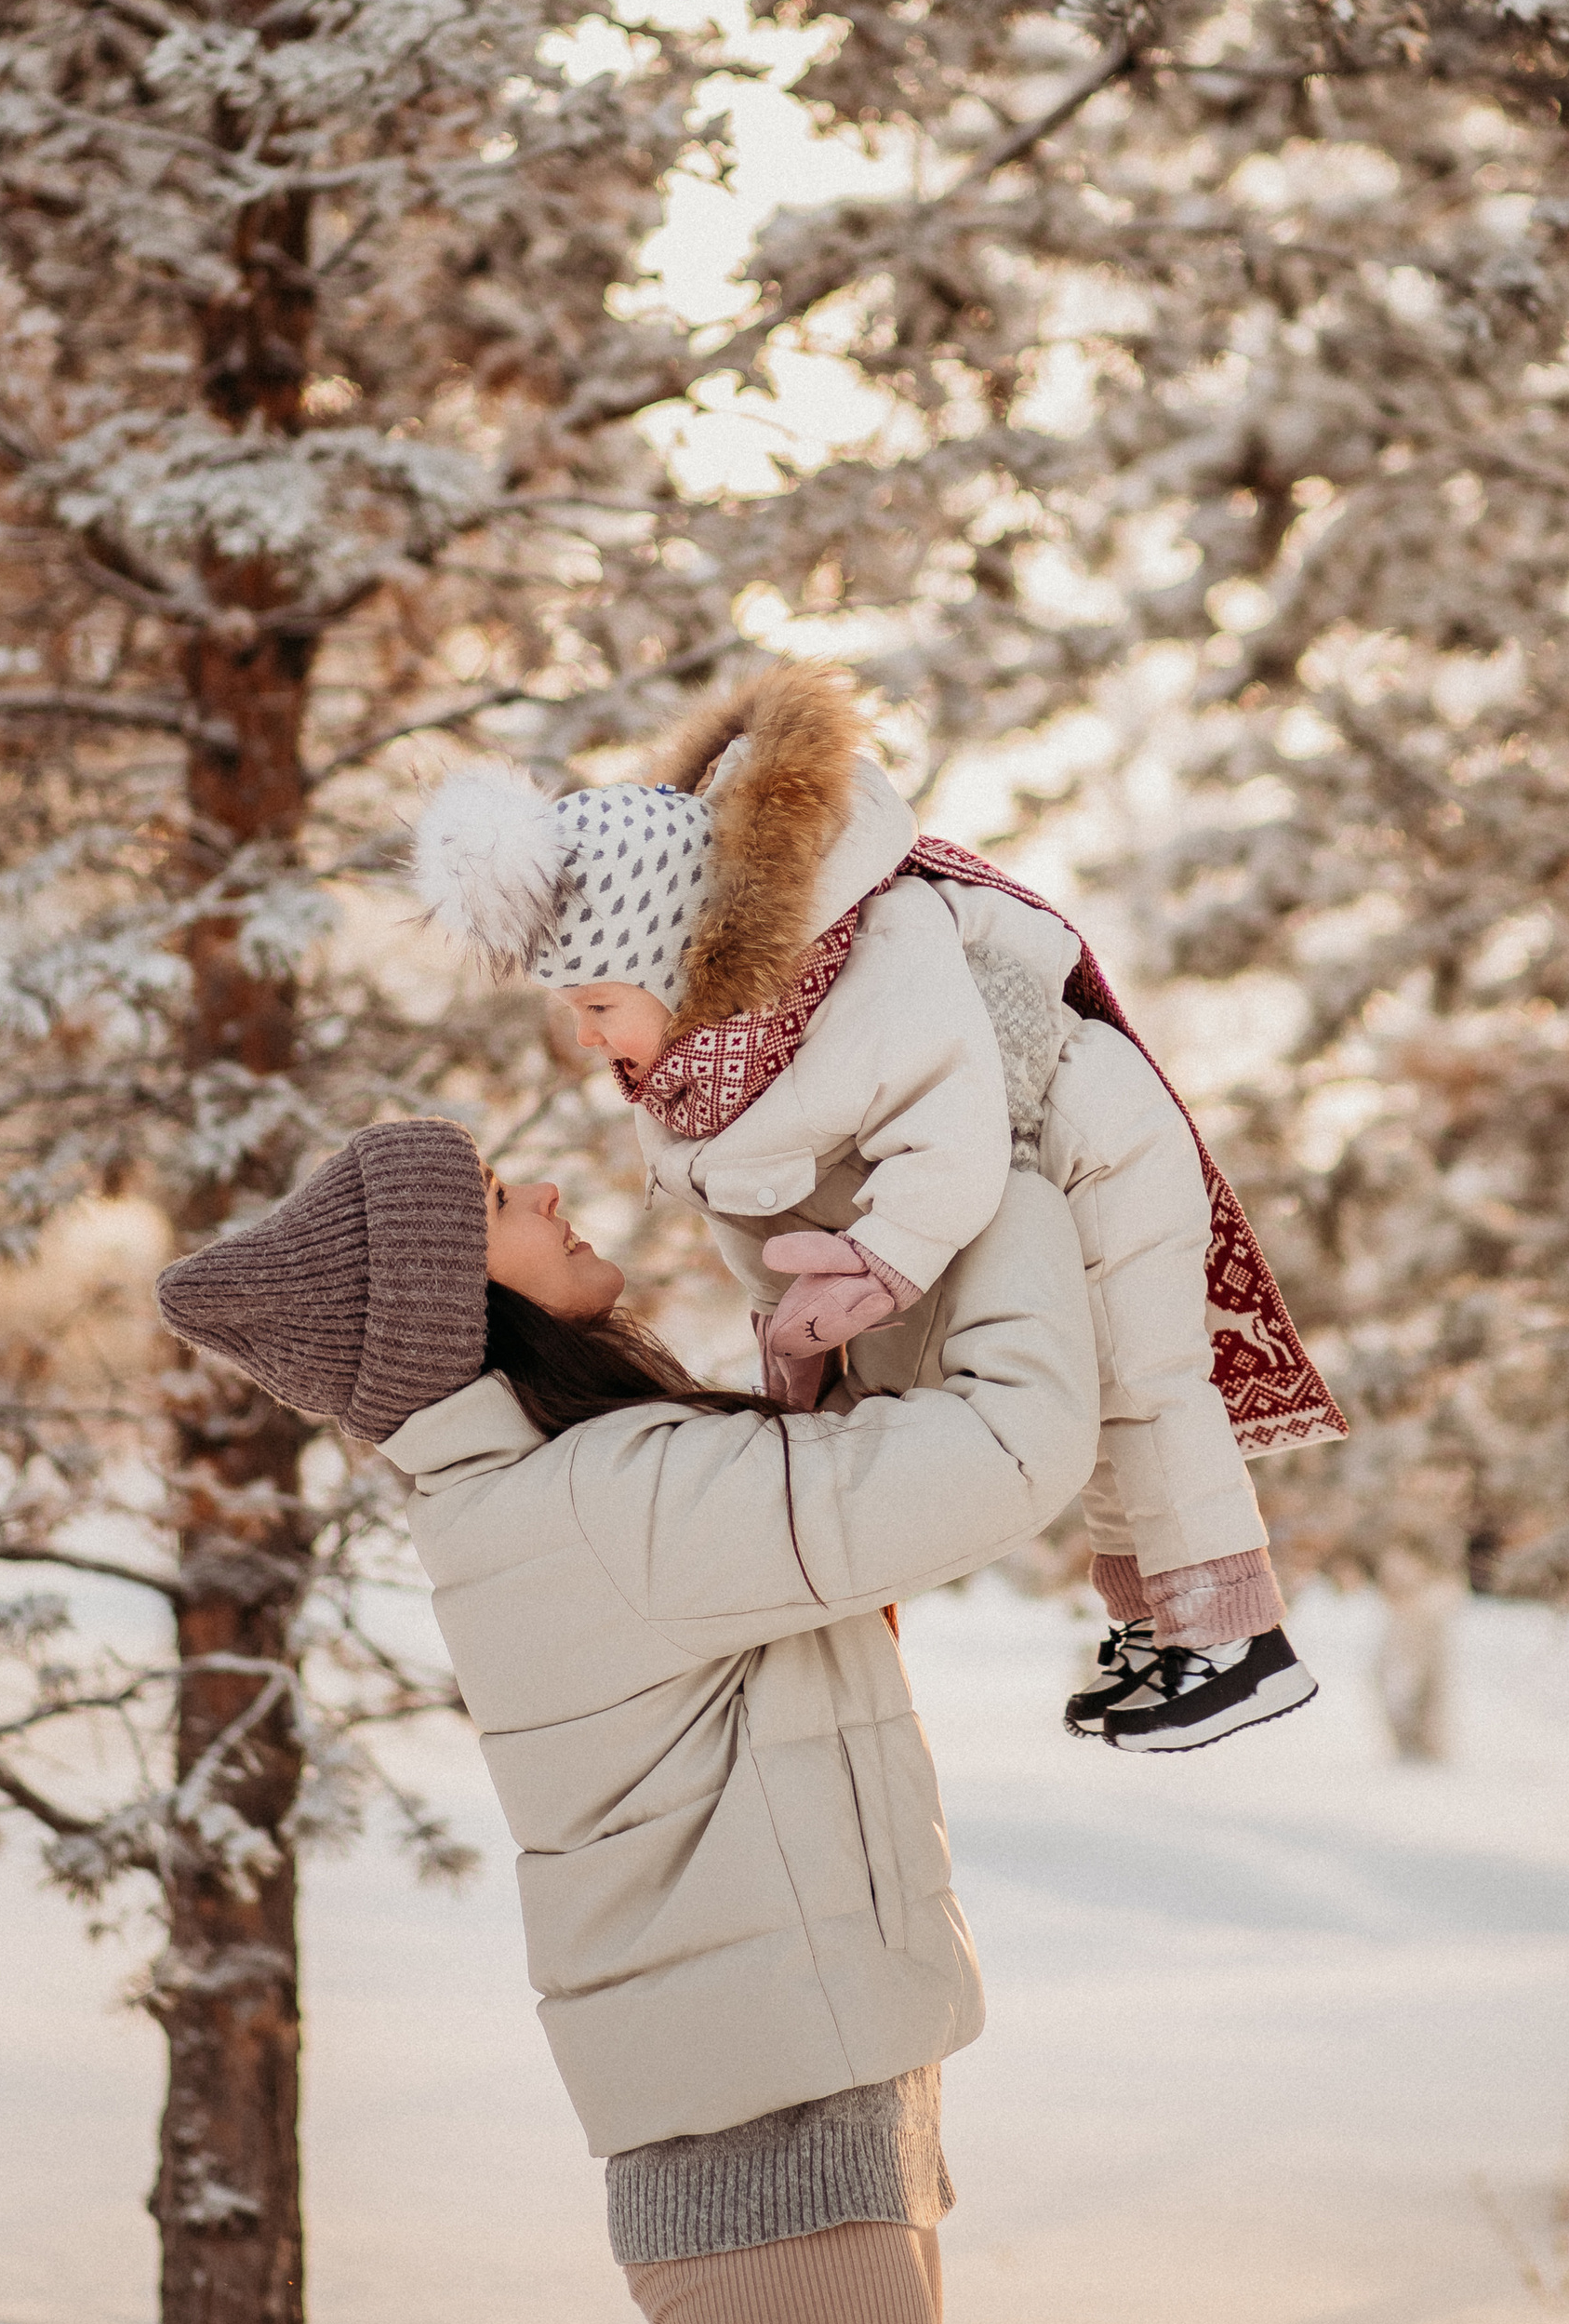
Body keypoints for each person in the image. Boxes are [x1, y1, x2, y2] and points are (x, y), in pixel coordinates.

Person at [154, 1112, 1097, 2324]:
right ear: (452, 1301)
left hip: (796, 2113)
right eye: (496, 1200)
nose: (543, 1191)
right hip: (771, 2138)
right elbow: (1012, 1449)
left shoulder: (546, 1497)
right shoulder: (604, 1501)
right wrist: (1009, 1174)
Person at [413, 660, 1343, 1752]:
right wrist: (793, 1329)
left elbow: (949, 1137)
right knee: (1093, 1407)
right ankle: (1154, 1620)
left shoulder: (873, 973)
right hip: (1010, 1177)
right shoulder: (693, 1086)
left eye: (599, 1005)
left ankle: (1234, 1633)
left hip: (1090, 1139)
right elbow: (755, 1214)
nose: (587, 1038)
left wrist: (887, 1268)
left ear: (673, 964)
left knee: (1142, 1379)